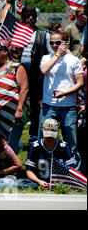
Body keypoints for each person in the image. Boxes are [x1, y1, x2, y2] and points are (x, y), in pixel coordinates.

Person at [0, 0, 51, 144]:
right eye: (27, 16)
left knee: (36, 110)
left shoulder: (44, 34)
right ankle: (13, 140)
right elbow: (2, 20)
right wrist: (9, 3)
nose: (31, 19)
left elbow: (50, 55)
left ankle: (34, 140)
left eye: (33, 16)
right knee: (15, 108)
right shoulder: (16, 29)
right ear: (22, 17)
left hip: (36, 78)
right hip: (16, 76)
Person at [38, 30, 84, 168]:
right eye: (51, 42)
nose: (54, 45)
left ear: (64, 43)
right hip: (49, 105)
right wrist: (57, 55)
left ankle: (74, 173)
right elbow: (44, 70)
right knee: (45, 139)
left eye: (57, 42)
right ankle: (44, 171)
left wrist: (64, 93)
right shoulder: (47, 58)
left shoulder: (74, 60)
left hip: (68, 106)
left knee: (70, 141)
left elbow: (80, 83)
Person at [17, 118, 78, 190]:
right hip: (39, 181)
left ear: (58, 132)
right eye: (47, 135)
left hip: (60, 181)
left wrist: (59, 183)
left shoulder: (64, 147)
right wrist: (39, 181)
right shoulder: (35, 146)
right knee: (20, 183)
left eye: (52, 135)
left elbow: (71, 170)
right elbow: (29, 170)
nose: (49, 138)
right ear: (42, 131)